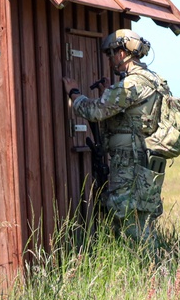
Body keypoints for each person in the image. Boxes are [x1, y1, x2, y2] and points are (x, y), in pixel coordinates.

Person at [62, 29, 167, 246]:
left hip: (129, 161)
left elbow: (94, 112)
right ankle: (153, 264)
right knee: (142, 214)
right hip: (147, 160)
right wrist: (109, 93)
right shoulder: (154, 80)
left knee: (127, 217)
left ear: (122, 53)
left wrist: (74, 93)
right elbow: (135, 116)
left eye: (111, 53)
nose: (110, 59)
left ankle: (147, 266)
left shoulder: (130, 84)